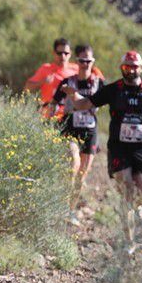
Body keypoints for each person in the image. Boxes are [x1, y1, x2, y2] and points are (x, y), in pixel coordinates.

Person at [63, 51, 142, 253]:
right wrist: (71, 93)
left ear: (141, 68)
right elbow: (83, 104)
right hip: (119, 149)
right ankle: (128, 243)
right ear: (121, 68)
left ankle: (137, 208)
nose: (130, 70)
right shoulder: (114, 90)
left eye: (134, 66)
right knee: (127, 191)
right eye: (126, 67)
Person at [51, 44, 105, 225]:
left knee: (82, 175)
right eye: (82, 61)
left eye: (88, 61)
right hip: (70, 129)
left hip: (90, 131)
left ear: (93, 62)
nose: (85, 64)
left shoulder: (99, 83)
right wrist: (50, 116)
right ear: (77, 62)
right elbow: (54, 103)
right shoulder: (68, 82)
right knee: (73, 164)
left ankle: (70, 210)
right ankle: (60, 205)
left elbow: (112, 103)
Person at [24, 38, 78, 119]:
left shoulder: (76, 70)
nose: (63, 56)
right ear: (54, 53)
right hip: (49, 117)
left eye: (66, 53)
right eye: (59, 53)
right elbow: (27, 87)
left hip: (70, 117)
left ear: (70, 53)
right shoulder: (46, 69)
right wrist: (42, 81)